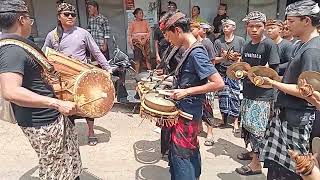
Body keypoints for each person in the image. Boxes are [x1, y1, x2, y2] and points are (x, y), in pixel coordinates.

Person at [0, 0, 82, 179]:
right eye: (30, 19)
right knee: (56, 171)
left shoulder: (18, 45)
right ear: (22, 19)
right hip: (42, 123)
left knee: (68, 163)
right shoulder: (11, 50)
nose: (31, 23)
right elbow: (10, 91)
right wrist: (56, 102)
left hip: (50, 118)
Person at [159, 11, 224, 180]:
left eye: (168, 35)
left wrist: (186, 91)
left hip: (188, 112)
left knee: (182, 154)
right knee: (188, 150)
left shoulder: (196, 52)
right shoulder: (189, 49)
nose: (168, 39)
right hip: (186, 111)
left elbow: (218, 83)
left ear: (178, 30)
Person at [260, 1, 320, 179]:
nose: (287, 25)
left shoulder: (313, 50)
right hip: (288, 114)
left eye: (291, 21)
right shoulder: (302, 44)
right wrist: (277, 78)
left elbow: (307, 91)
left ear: (306, 21)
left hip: (297, 117)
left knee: (297, 167)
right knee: (281, 165)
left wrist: (273, 83)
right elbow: (298, 80)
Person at [43, 3, 111, 146]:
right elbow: (44, 55)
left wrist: (107, 68)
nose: (70, 17)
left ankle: (91, 132)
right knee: (68, 108)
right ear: (59, 17)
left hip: (82, 74)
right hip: (63, 78)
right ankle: (70, 134)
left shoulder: (83, 33)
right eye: (66, 14)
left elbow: (96, 51)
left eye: (73, 15)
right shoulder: (52, 35)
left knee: (89, 103)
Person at [234, 11, 280, 176]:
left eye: (258, 26)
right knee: (249, 127)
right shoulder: (247, 45)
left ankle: (256, 165)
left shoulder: (269, 45)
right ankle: (253, 153)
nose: (254, 29)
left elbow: (274, 73)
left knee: (259, 130)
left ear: (264, 27)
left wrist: (261, 78)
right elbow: (245, 67)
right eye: (251, 26)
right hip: (248, 92)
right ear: (246, 27)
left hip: (263, 96)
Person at [87, 0, 128, 103]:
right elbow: (88, 31)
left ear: (95, 8)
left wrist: (105, 43)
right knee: (95, 67)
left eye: (90, 8)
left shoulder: (103, 19)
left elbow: (107, 32)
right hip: (93, 47)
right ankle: (98, 88)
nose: (89, 10)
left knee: (105, 66)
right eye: (88, 8)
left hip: (101, 46)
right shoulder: (90, 19)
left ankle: (108, 88)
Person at [213, 19, 245, 134]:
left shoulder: (240, 40)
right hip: (222, 71)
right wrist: (224, 57)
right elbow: (214, 60)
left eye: (227, 26)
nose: (225, 28)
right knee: (223, 96)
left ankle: (235, 121)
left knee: (235, 96)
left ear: (233, 27)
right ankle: (223, 120)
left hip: (235, 72)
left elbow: (243, 57)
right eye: (224, 26)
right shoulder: (218, 41)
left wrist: (237, 59)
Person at [190, 21, 216, 146]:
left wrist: (210, 79)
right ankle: (199, 128)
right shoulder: (192, 44)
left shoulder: (207, 43)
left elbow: (212, 61)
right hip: (196, 81)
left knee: (208, 107)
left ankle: (210, 132)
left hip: (208, 80)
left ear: (200, 30)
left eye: (192, 29)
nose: (190, 31)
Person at [128, 8, 152, 72]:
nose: (142, 14)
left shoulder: (145, 22)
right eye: (140, 13)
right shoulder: (132, 23)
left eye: (142, 13)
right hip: (136, 43)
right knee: (137, 58)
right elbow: (129, 34)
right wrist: (131, 44)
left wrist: (145, 39)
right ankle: (137, 72)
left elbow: (150, 32)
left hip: (145, 42)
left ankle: (150, 72)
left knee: (147, 57)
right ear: (135, 15)